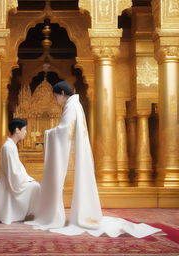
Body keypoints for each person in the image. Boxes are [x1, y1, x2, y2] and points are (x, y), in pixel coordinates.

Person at [25, 81, 162, 238]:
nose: (56, 100)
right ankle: (83, 214)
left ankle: (73, 217)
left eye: (56, 96)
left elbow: (64, 131)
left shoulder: (71, 106)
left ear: (62, 93)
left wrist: (49, 133)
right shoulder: (76, 104)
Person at [0, 118, 40, 224]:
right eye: (25, 129)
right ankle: (37, 214)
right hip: (10, 182)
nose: (26, 132)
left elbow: (18, 167)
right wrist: (26, 181)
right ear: (17, 130)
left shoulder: (11, 145)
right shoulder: (8, 147)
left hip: (13, 179)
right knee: (36, 187)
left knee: (35, 185)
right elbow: (12, 172)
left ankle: (34, 213)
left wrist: (28, 179)